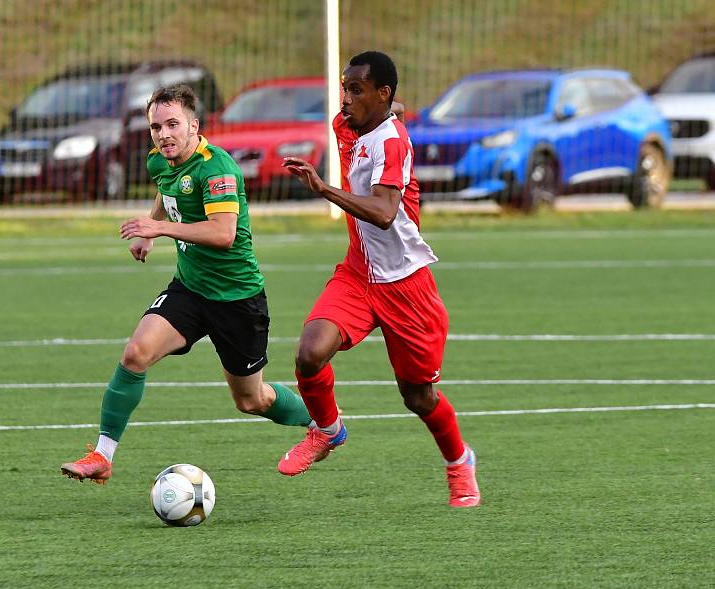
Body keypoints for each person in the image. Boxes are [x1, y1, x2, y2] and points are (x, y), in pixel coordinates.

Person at [61, 83, 313, 484]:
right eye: (155, 127)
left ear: (194, 126)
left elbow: (223, 233)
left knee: (252, 400)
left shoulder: (218, 169)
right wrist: (149, 229)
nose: (163, 134)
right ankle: (101, 456)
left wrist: (158, 228)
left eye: (173, 124)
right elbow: (166, 191)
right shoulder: (160, 161)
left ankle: (321, 424)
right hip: (190, 289)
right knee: (135, 354)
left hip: (237, 298)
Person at [279, 51, 481, 507]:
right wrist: (392, 110)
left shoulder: (392, 144)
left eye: (355, 89)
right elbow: (397, 110)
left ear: (380, 93)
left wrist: (325, 188)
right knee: (310, 353)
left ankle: (459, 461)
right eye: (345, 87)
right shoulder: (350, 124)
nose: (345, 98)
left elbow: (387, 213)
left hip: (406, 286)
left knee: (418, 396)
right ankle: (327, 431)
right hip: (358, 273)